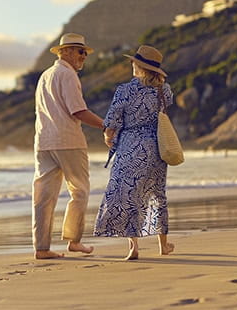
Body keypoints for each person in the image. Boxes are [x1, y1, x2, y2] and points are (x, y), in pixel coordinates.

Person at [94, 45, 175, 260]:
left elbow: (111, 122)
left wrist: (108, 137)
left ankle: (134, 247)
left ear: (138, 66)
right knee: (157, 194)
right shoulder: (164, 89)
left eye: (134, 62)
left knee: (128, 194)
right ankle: (163, 245)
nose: (132, 64)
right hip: (156, 148)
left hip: (130, 146)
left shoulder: (125, 90)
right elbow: (164, 110)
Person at [32, 33, 105, 259]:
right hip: (68, 141)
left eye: (85, 52)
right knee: (80, 191)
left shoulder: (45, 75)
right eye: (80, 51)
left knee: (43, 196)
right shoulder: (68, 75)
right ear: (66, 52)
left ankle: (41, 248)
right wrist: (106, 125)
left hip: (43, 142)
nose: (84, 56)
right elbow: (78, 111)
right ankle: (74, 241)